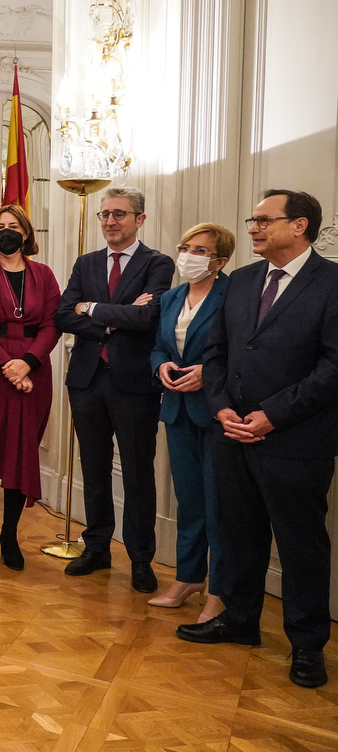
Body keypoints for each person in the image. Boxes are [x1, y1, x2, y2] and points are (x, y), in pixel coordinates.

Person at [177, 190, 338, 689]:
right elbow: (219, 351)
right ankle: (241, 619)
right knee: (238, 531)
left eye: (265, 220)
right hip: (231, 430)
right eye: (252, 220)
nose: (253, 228)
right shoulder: (243, 281)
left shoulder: (332, 282)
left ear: (300, 225)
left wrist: (271, 415)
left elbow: (333, 367)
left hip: (296, 438)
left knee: (300, 543)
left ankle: (307, 644)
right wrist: (221, 405)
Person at [56, 186, 174, 592]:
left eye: (119, 214)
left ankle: (141, 558)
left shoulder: (158, 263)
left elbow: (149, 318)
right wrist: (115, 316)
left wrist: (90, 309)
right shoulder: (86, 262)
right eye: (105, 214)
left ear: (140, 219)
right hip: (87, 379)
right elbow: (61, 315)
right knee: (94, 467)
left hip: (134, 382)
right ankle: (97, 547)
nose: (109, 221)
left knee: (139, 472)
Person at [0, 205, 61, 571]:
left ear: (26, 232)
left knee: (20, 453)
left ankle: (9, 534)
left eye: (14, 226)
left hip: (33, 374)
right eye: (0, 226)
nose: (7, 232)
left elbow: (53, 324)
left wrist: (28, 362)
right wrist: (6, 365)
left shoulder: (45, 275)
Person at [148, 223, 234, 622]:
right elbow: (160, 346)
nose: (189, 255)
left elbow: (241, 350)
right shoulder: (172, 297)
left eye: (200, 250)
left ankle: (220, 589)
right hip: (177, 409)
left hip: (217, 411)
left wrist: (209, 372)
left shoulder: (233, 293)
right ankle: (188, 577)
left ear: (220, 260)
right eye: (185, 246)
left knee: (220, 502)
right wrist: (161, 364)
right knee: (190, 500)